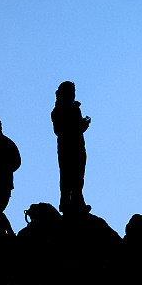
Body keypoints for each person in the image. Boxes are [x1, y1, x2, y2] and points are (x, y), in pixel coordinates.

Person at [51, 81, 91, 215]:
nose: (73, 94)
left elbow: (75, 129)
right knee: (69, 177)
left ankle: (76, 202)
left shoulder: (72, 109)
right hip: (68, 147)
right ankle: (68, 204)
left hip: (76, 146)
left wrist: (82, 125)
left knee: (77, 177)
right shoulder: (59, 111)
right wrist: (80, 125)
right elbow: (60, 130)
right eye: (71, 91)